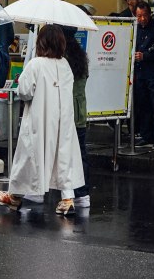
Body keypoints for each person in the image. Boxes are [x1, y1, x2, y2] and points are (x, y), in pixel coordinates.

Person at [0, 26, 85, 217]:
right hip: (63, 119)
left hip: (39, 118)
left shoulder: (36, 64)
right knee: (63, 156)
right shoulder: (65, 65)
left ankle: (15, 195)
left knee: (29, 156)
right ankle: (67, 198)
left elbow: (25, 92)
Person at [62, 26, 91, 207]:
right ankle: (83, 193)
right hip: (80, 112)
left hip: (66, 112)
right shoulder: (81, 57)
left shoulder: (62, 59)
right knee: (80, 154)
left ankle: (66, 193)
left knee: (62, 154)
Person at [133, 1, 154, 148]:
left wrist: (145, 55)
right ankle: (146, 136)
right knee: (143, 106)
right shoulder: (135, 29)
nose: (142, 19)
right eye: (139, 16)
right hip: (140, 74)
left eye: (144, 15)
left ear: (150, 14)